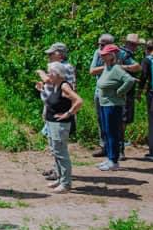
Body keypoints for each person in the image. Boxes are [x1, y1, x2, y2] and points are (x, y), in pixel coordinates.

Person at [89, 34, 138, 157]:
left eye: (103, 44)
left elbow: (137, 67)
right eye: (99, 44)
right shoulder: (98, 52)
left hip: (114, 96)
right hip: (100, 93)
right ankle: (105, 147)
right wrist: (107, 66)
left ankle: (119, 149)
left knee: (117, 123)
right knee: (102, 121)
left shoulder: (120, 53)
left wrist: (120, 67)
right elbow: (92, 71)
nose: (100, 46)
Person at [36, 43, 77, 181]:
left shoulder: (65, 67)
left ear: (59, 54)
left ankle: (61, 176)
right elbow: (51, 84)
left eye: (51, 54)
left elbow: (51, 80)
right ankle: (57, 170)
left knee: (58, 146)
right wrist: (43, 89)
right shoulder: (59, 67)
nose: (49, 56)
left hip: (60, 111)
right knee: (53, 143)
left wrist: (42, 73)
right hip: (51, 107)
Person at [43, 62, 83, 193]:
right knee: (55, 152)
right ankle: (60, 179)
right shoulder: (55, 85)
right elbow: (55, 102)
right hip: (52, 124)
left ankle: (66, 183)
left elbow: (78, 101)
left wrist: (68, 114)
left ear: (57, 74)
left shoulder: (64, 86)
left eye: (50, 72)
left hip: (60, 125)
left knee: (61, 153)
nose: (48, 75)